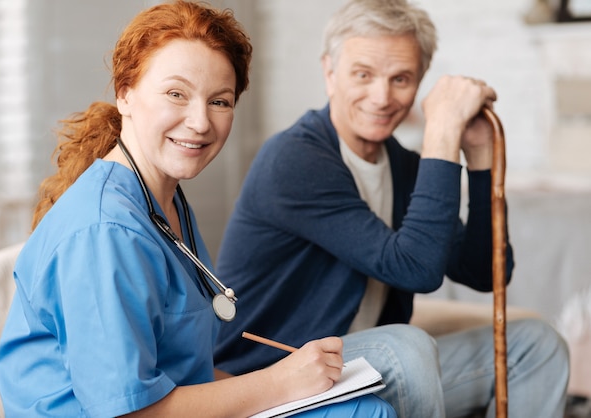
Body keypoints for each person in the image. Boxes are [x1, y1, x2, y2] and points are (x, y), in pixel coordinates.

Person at [0, 2, 397, 417]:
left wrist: (296, 384)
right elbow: (125, 411)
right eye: (176, 94)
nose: (201, 122)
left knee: (363, 403)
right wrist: (281, 382)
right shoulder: (105, 230)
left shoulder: (165, 201)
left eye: (220, 102)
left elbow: (184, 371)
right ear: (125, 94)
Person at [213, 0, 570, 417]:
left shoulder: (403, 166)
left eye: (400, 78)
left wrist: (479, 159)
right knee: (406, 348)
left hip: (360, 370)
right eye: (363, 74)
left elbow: (486, 272)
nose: (382, 97)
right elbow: (414, 268)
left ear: (419, 82)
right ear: (330, 72)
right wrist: (441, 133)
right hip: (273, 377)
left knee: (537, 346)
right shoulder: (294, 159)